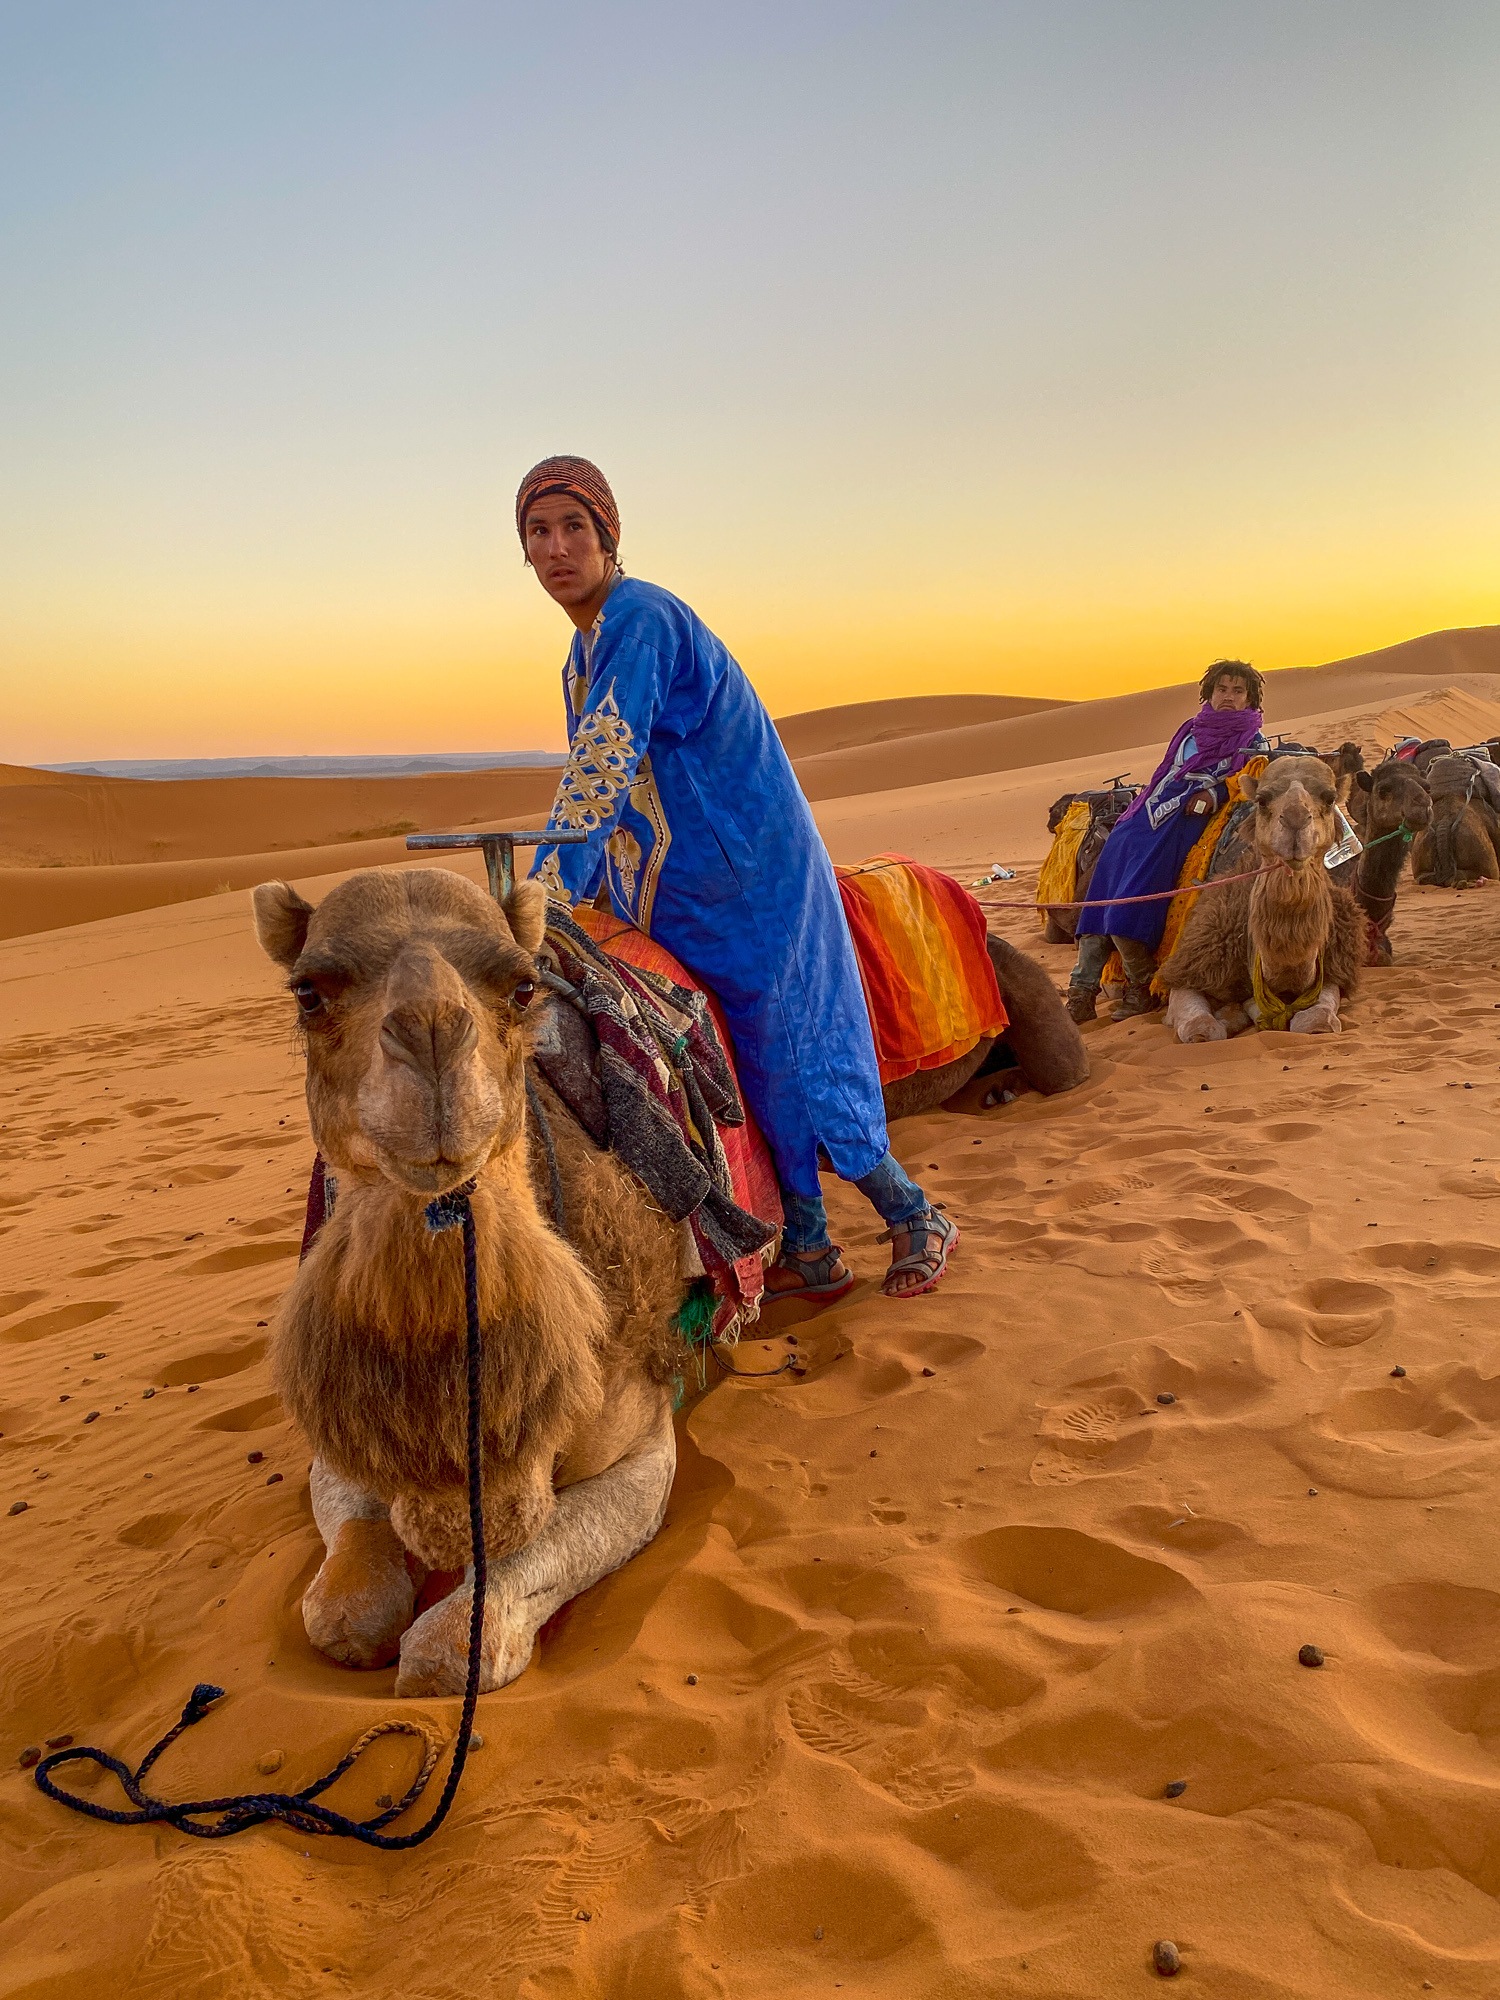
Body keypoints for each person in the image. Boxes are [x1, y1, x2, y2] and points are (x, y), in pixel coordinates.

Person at [516, 455, 958, 1300]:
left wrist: (540, 892)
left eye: (575, 527)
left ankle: (912, 1214)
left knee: (794, 1054)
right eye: (539, 532)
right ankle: (813, 1248)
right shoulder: (582, 651)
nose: (557, 547)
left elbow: (604, 763)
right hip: (680, 896)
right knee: (743, 1066)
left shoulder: (640, 617)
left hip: (750, 883)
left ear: (609, 538)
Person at [1067, 659, 1268, 1023]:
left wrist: (1215, 792)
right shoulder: (1191, 730)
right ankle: (1082, 990)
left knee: (1134, 894)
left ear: (1250, 699)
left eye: (1238, 691)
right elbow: (1167, 772)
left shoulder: (1253, 740)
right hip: (1151, 812)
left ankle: (1141, 986)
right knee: (1110, 866)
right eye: (1222, 689)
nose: (1228, 697)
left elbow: (1248, 781)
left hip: (1193, 817)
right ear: (1210, 692)